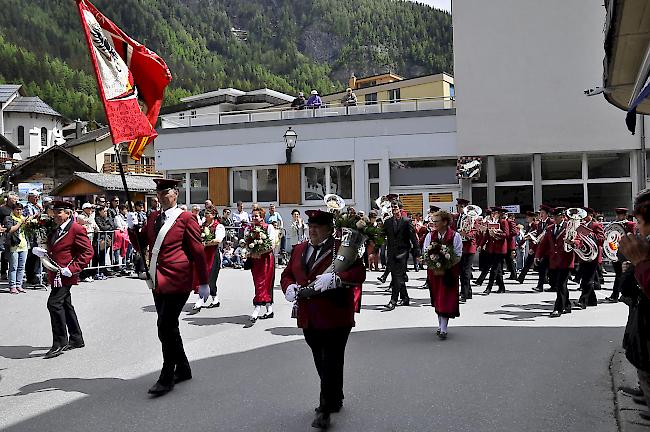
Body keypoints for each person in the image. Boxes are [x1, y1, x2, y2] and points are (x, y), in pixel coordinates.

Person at [280, 209, 366, 430]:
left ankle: (324, 409)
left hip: (336, 315)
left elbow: (359, 274)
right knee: (321, 359)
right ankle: (335, 395)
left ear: (329, 229)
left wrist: (337, 278)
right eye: (310, 226)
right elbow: (288, 273)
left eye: (317, 227)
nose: (312, 230)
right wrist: (288, 287)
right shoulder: (300, 248)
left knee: (331, 360)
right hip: (308, 316)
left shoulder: (341, 249)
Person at [127, 178, 208, 396]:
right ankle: (183, 368)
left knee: (165, 325)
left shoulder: (186, 218)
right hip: (157, 279)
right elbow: (141, 243)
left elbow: (198, 251)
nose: (161, 197)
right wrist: (131, 229)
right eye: (159, 193)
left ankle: (167, 375)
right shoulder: (154, 217)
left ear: (176, 194)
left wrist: (204, 282)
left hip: (178, 279)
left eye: (165, 193)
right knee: (169, 326)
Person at [32, 201, 93, 359]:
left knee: (53, 304)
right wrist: (43, 251)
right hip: (56, 272)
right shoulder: (55, 228)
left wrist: (72, 269)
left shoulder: (76, 228)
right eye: (54, 212)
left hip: (65, 274)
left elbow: (87, 252)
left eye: (59, 212)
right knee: (65, 305)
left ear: (68, 213)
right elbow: (56, 248)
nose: (56, 215)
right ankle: (76, 338)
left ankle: (60, 342)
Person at [423, 211, 463, 339]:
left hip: (449, 272)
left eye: (436, 221)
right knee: (437, 297)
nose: (433, 223)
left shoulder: (455, 236)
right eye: (433, 221)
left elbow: (458, 254)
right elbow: (425, 252)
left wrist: (446, 264)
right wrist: (433, 264)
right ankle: (440, 325)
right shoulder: (430, 235)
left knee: (446, 298)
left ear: (445, 222)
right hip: (435, 272)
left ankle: (443, 328)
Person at [535, 207, 575, 317]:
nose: (555, 218)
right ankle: (567, 305)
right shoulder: (550, 228)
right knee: (561, 285)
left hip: (566, 261)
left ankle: (558, 309)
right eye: (554, 216)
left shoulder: (570, 227)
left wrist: (573, 242)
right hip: (554, 261)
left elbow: (578, 240)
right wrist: (538, 256)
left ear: (563, 216)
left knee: (561, 284)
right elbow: (544, 244)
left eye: (557, 216)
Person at [384, 199, 420, 310]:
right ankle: (405, 298)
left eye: (395, 207)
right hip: (391, 252)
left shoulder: (406, 221)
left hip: (403, 252)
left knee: (397, 276)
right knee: (397, 276)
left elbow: (413, 237)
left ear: (400, 208)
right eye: (392, 207)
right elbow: (382, 235)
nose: (393, 209)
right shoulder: (388, 222)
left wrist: (417, 251)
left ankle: (393, 300)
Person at [190, 208, 225, 313]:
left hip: (213, 255)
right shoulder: (203, 226)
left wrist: (206, 242)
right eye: (205, 213)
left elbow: (218, 240)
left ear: (213, 215)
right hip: (202, 255)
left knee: (210, 278)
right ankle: (215, 300)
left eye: (208, 213)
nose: (205, 215)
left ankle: (200, 300)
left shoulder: (218, 226)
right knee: (202, 277)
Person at [246, 206, 276, 322]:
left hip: (266, 259)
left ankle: (257, 308)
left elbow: (272, 245)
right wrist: (249, 252)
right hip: (255, 260)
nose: (254, 218)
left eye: (256, 216)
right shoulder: (250, 229)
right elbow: (246, 243)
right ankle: (269, 309)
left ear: (262, 217)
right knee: (258, 282)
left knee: (265, 282)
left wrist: (260, 252)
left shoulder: (269, 228)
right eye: (253, 216)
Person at [575, 207, 605, 309]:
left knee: (587, 280)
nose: (583, 217)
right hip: (583, 255)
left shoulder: (596, 225)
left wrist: (590, 234)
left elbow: (602, 238)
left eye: (585, 215)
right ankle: (592, 300)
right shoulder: (580, 226)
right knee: (585, 278)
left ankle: (582, 301)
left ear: (591, 216)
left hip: (593, 256)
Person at [475, 207, 509, 294]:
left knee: (494, 268)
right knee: (497, 269)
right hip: (491, 248)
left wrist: (497, 233)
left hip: (500, 249)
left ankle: (489, 287)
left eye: (495, 213)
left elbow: (506, 234)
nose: (493, 215)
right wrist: (480, 245)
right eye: (492, 213)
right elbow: (486, 235)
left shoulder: (503, 222)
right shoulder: (490, 223)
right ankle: (502, 287)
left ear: (499, 214)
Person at [608, 207, 638, 302]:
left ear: (625, 215)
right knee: (618, 274)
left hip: (626, 253)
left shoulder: (630, 224)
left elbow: (632, 236)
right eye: (617, 215)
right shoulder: (614, 224)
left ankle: (618, 295)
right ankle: (616, 295)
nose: (618, 217)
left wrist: (623, 228)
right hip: (616, 252)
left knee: (622, 275)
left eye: (620, 215)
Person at [452, 198, 477, 302]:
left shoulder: (472, 217)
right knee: (461, 271)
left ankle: (464, 294)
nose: (459, 208)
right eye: (458, 206)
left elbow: (474, 232)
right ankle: (468, 292)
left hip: (469, 247)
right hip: (459, 247)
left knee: (466, 272)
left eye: (461, 207)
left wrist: (465, 234)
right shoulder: (456, 217)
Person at [5, 203, 29, 294]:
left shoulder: (22, 218)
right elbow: (10, 230)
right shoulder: (9, 218)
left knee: (21, 267)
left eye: (20, 210)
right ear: (13, 210)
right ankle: (12, 286)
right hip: (13, 246)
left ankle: (19, 285)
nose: (19, 211)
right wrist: (20, 223)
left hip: (24, 245)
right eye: (17, 209)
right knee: (13, 267)